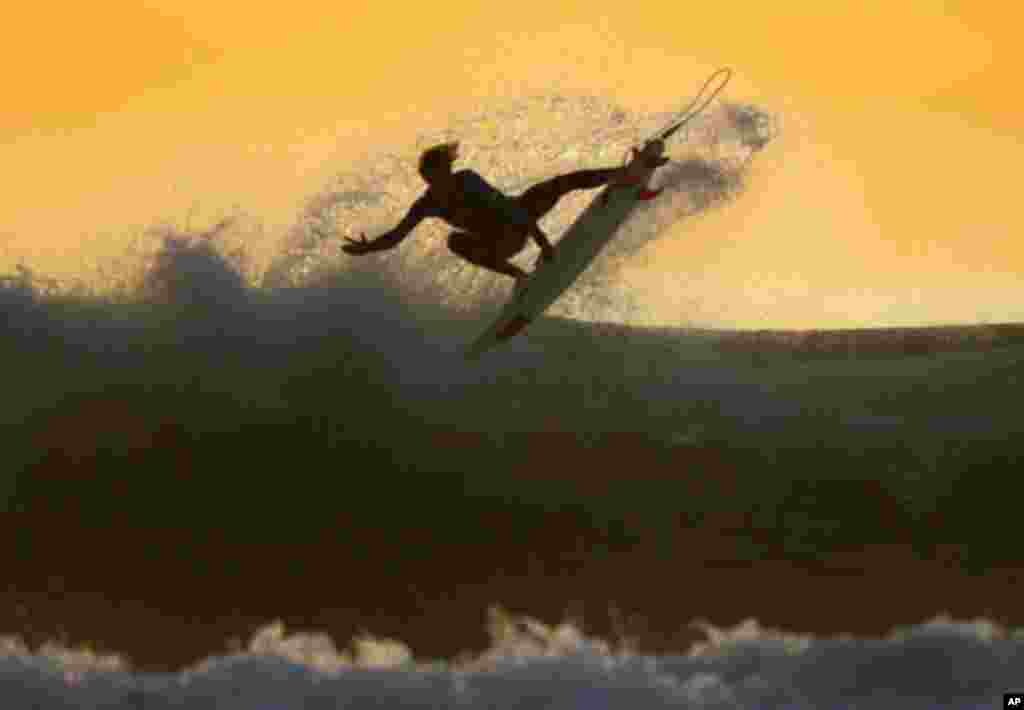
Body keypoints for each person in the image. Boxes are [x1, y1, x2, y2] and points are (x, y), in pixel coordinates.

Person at [342, 141, 668, 289]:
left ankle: (627, 173)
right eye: (434, 178)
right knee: (454, 241)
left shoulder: (467, 180)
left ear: (449, 170)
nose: (441, 182)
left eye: (444, 173)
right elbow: (397, 237)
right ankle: (520, 278)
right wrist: (368, 248)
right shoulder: (426, 204)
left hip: (519, 217)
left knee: (558, 184)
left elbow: (510, 209)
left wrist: (542, 242)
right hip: (500, 242)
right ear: (428, 180)